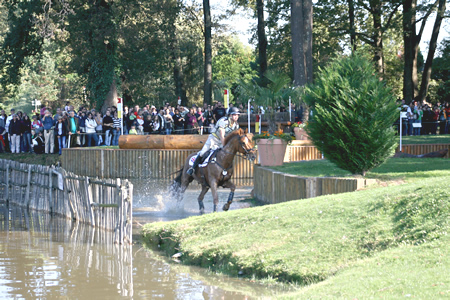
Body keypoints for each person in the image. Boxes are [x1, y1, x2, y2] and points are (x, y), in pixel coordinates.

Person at [186, 106, 241, 175]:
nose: (236, 117)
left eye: (237, 115)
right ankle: (192, 168)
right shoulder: (223, 121)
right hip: (214, 139)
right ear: (230, 115)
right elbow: (221, 135)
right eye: (235, 115)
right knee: (203, 153)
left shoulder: (236, 125)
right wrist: (224, 145)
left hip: (223, 141)